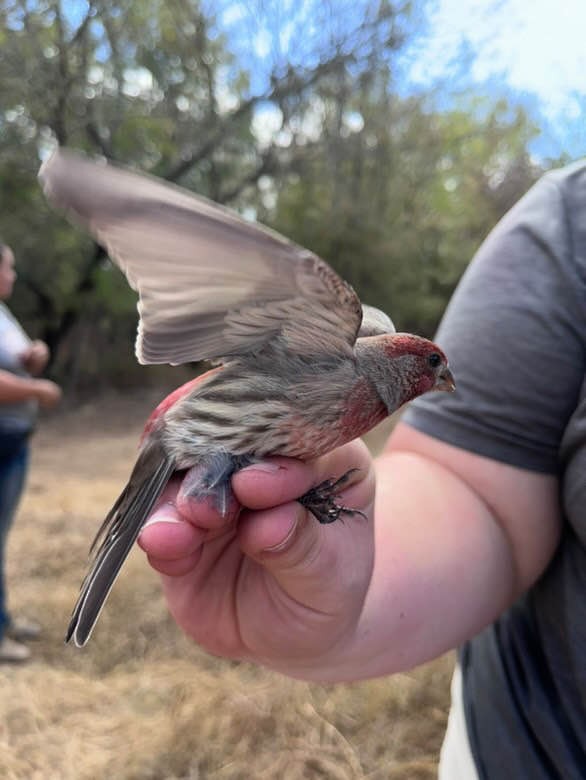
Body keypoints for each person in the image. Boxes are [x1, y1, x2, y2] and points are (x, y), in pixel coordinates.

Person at [137, 160, 586, 778]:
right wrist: (339, 615)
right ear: (404, 363)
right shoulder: (566, 224)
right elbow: (482, 494)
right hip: (518, 749)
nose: (443, 381)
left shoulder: (363, 389)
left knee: (276, 485)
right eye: (434, 367)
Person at [0, 242, 62, 663]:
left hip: (13, 442)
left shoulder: (4, 314)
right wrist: (37, 390)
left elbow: (15, 362)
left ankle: (2, 620)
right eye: (9, 266)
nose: (15, 275)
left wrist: (35, 356)